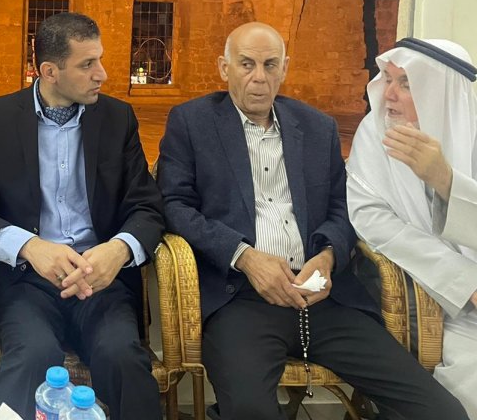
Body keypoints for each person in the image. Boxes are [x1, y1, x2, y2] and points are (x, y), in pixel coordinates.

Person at [156, 22, 467, 419]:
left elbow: (342, 205)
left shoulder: (317, 127)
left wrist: (328, 256)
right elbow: (175, 205)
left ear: (285, 68)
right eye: (247, 64)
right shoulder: (192, 122)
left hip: (323, 299)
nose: (259, 77)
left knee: (440, 410)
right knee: (250, 410)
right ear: (224, 67)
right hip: (242, 299)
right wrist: (245, 257)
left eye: (270, 65)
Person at [0, 12, 164, 419]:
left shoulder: (117, 118)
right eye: (87, 64)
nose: (102, 74)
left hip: (100, 280)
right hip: (24, 282)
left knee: (121, 355)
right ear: (49, 71)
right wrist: (29, 247)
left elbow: (148, 206)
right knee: (32, 354)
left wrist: (118, 251)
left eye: (100, 59)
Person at [347, 38, 477, 417]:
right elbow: (373, 221)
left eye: (405, 83)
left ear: (439, 93)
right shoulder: (375, 135)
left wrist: (445, 180)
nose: (389, 94)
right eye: (387, 79)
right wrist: (466, 283)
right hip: (436, 306)